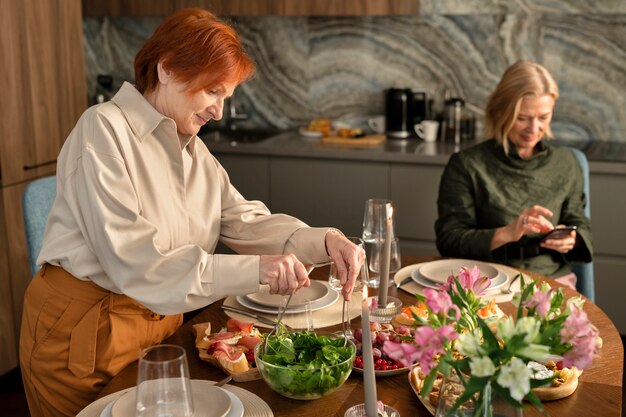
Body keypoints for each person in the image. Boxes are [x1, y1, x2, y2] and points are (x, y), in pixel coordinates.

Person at [19, 8, 364, 417]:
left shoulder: (192, 150)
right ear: (166, 69)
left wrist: (326, 240)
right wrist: (257, 270)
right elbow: (138, 263)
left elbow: (244, 219)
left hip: (162, 327)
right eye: (213, 91)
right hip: (84, 334)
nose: (219, 111)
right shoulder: (102, 130)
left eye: (226, 96)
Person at [435, 60, 592, 281]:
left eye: (544, 118)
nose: (534, 129)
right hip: (487, 283)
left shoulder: (566, 162)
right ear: (501, 112)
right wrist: (507, 233)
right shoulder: (467, 165)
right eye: (522, 118)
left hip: (552, 281)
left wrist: (572, 239)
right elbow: (449, 240)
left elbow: (580, 222)